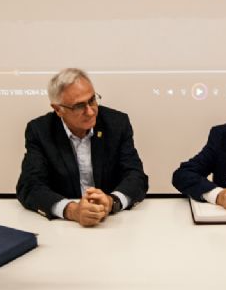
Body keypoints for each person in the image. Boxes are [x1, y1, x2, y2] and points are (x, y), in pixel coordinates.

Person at [17, 68, 148, 226]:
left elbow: (136, 176)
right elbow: (30, 186)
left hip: (113, 223)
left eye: (92, 100)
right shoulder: (40, 131)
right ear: (58, 109)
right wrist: (72, 210)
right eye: (79, 106)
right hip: (64, 227)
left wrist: (111, 201)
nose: (91, 112)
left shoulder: (117, 124)